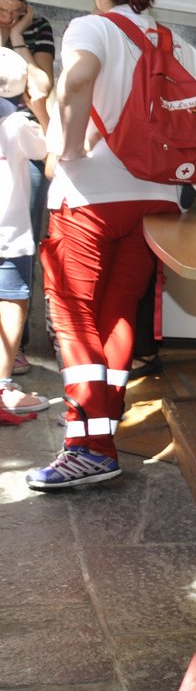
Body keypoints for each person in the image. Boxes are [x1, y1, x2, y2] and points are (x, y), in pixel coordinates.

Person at [28, 0, 196, 490]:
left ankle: (88, 444)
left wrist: (69, 148)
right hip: (156, 204)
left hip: (89, 200)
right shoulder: (177, 45)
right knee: (119, 317)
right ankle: (99, 427)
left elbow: (75, 81)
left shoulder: (91, 29)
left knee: (74, 318)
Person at [1, 0, 55, 378]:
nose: (8, 15)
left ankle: (11, 349)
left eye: (16, 10)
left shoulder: (36, 29)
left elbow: (41, 87)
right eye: (3, 9)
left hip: (27, 144)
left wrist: (16, 37)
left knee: (18, 246)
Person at [0, 48, 50, 419]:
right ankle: (2, 388)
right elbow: (53, 148)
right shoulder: (17, 124)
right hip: (8, 232)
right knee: (12, 300)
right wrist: (40, 106)